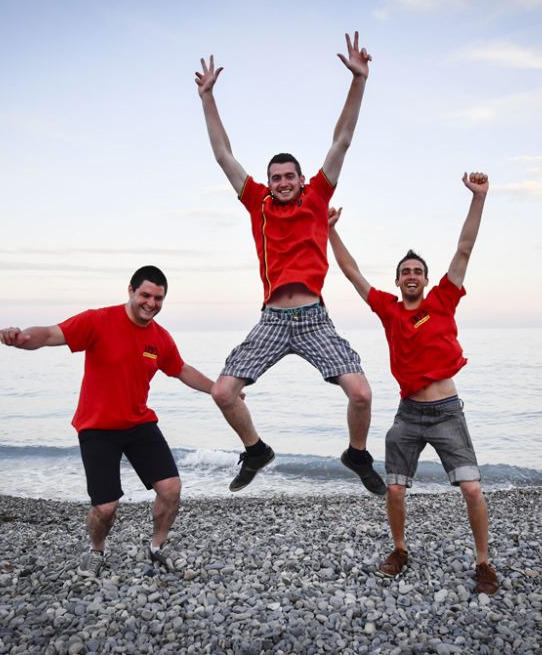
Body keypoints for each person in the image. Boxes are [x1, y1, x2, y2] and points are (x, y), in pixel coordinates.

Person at [194, 31, 385, 495]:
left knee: (361, 393)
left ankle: (357, 455)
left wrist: (358, 81)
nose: (281, 183)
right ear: (269, 181)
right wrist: (207, 97)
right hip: (273, 320)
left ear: (302, 179)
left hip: (315, 319)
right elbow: (223, 155)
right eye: (275, 177)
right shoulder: (257, 202)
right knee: (222, 392)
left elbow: (342, 140)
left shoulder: (318, 196)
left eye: (289, 177)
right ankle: (256, 450)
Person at [326, 172, 500, 595]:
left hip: (446, 412)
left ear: (425, 277)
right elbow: (351, 273)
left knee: (473, 489)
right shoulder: (389, 309)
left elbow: (464, 248)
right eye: (405, 270)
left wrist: (479, 198)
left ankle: (483, 563)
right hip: (408, 413)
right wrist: (331, 231)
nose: (411, 275)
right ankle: (400, 550)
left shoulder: (444, 297)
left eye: (417, 270)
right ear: (398, 278)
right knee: (396, 489)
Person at [0, 266, 221, 577]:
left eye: (158, 298)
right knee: (106, 507)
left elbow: (181, 370)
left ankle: (156, 547)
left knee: (171, 488)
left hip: (138, 423)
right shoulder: (97, 320)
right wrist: (21, 338)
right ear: (130, 290)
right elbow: (50, 334)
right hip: (97, 426)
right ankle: (96, 550)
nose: (151, 303)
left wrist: (219, 390)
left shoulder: (160, 339)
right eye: (145, 295)